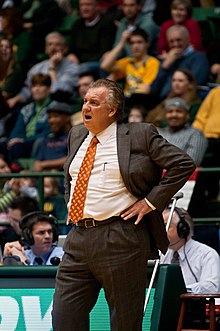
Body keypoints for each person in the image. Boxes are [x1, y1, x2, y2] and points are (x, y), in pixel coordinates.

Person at [52, 78, 195, 331]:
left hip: (121, 236)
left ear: (112, 110)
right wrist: (73, 203)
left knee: (124, 322)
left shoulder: (139, 134)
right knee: (64, 318)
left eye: (94, 103)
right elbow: (70, 176)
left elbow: (182, 164)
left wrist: (150, 202)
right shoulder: (76, 135)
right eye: (85, 101)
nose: (86, 107)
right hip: (78, 238)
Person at [7, 31, 79, 110]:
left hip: (60, 108)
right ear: (46, 49)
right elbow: (28, 90)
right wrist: (15, 99)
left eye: (57, 44)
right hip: (37, 106)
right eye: (50, 44)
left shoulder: (72, 67)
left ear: (65, 49)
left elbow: (59, 92)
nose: (53, 48)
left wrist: (52, 68)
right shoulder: (37, 68)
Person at [160, 207, 220, 294]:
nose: (162, 231)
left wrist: (179, 290)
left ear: (183, 229)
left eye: (166, 226)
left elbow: (212, 287)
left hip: (196, 306)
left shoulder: (207, 254)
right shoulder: (162, 254)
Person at [101, 28, 160, 110]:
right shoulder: (128, 61)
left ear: (147, 44)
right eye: (132, 43)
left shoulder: (153, 62)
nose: (135, 46)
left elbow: (145, 89)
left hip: (141, 102)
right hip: (126, 101)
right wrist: (122, 42)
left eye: (139, 42)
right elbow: (104, 66)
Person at [151, 25, 210, 101]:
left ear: (188, 40)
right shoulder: (165, 61)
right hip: (162, 102)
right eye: (171, 41)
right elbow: (154, 89)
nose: (176, 44)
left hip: (184, 102)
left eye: (179, 40)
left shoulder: (199, 58)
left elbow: (194, 83)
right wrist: (165, 66)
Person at [5, 73, 52, 163]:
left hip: (39, 143)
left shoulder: (53, 108)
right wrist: (14, 140)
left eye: (41, 85)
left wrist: (24, 140)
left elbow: (48, 132)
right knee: (5, 145)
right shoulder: (26, 109)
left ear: (49, 89)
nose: (36, 89)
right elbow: (17, 130)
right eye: (34, 86)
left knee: (18, 147)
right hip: (24, 143)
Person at [68, 0, 116, 75]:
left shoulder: (107, 24)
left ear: (97, 7)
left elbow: (104, 50)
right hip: (79, 64)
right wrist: (71, 55)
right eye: (82, 5)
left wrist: (83, 64)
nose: (85, 8)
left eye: (88, 5)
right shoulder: (77, 25)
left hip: (97, 62)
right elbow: (72, 49)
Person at [157, 97, 208, 166]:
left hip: (181, 175)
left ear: (187, 115)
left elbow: (191, 162)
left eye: (179, 111)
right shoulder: (158, 133)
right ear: (165, 115)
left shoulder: (196, 134)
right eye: (170, 111)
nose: (174, 115)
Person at [33, 101, 72, 172]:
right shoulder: (46, 140)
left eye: (56, 116)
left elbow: (73, 159)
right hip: (45, 175)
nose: (51, 120)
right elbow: (37, 163)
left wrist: (44, 164)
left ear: (67, 118)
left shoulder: (74, 138)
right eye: (49, 117)